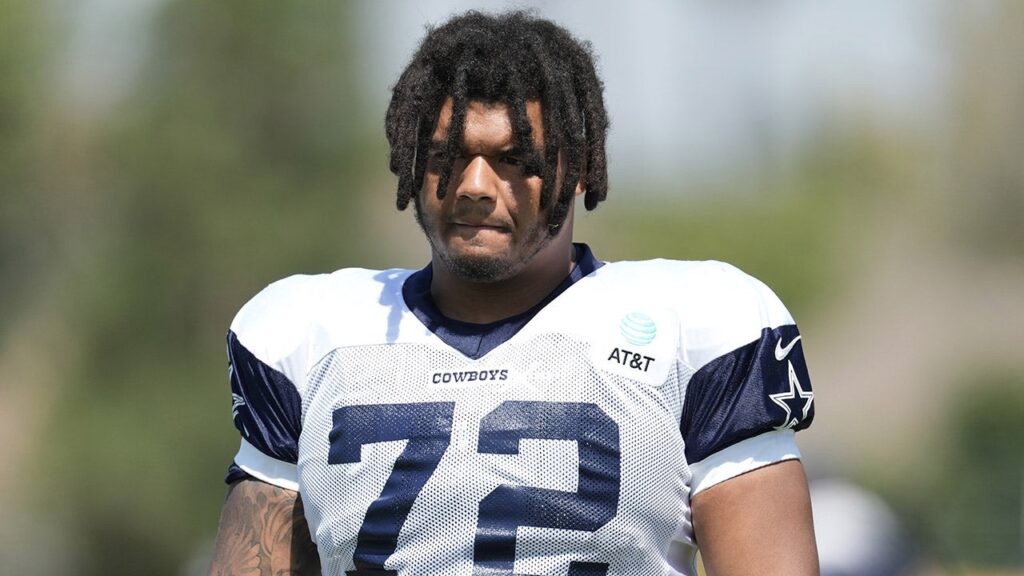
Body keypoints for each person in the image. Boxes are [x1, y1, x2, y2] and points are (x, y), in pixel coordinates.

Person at [209, 10, 819, 576]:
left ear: (579, 168)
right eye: (447, 155)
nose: (474, 185)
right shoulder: (309, 333)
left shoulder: (697, 322)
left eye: (514, 158)